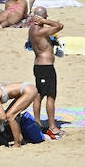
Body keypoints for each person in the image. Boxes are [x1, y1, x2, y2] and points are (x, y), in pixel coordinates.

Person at [28, 8, 65, 137]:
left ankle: (37, 123)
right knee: (51, 96)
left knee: (39, 95)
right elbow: (59, 26)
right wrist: (44, 21)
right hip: (46, 67)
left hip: (38, 66)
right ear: (40, 17)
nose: (47, 17)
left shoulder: (32, 29)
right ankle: (52, 127)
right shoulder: (40, 31)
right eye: (45, 16)